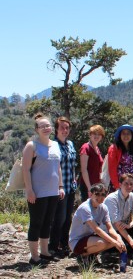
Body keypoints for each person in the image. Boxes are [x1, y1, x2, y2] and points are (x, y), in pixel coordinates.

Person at [22, 114, 63, 266]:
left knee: (48, 222)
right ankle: (34, 256)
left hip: (53, 192)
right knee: (36, 223)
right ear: (36, 129)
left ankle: (44, 252)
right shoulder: (32, 146)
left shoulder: (55, 145)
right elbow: (25, 170)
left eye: (48, 125)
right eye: (42, 126)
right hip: (37, 192)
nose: (46, 128)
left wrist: (60, 186)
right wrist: (29, 190)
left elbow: (57, 167)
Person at [68, 183, 126, 268]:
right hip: (76, 241)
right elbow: (96, 229)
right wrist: (114, 242)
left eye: (103, 194)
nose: (100, 197)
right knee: (103, 243)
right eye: (97, 194)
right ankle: (82, 256)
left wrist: (118, 239)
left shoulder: (103, 208)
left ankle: (91, 256)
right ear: (91, 194)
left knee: (115, 239)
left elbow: (110, 228)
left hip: (90, 238)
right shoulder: (85, 208)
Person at [103, 174, 133, 265]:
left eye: (131, 184)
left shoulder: (131, 196)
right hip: (111, 232)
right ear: (120, 184)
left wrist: (130, 225)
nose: (129, 186)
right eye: (126, 184)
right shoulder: (112, 199)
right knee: (125, 244)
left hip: (124, 228)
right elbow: (117, 225)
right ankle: (124, 251)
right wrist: (130, 240)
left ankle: (131, 252)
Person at [49, 117, 77, 256]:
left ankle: (64, 244)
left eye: (67, 128)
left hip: (70, 186)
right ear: (56, 129)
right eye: (62, 128)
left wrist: (74, 181)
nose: (65, 130)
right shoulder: (53, 145)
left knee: (68, 217)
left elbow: (72, 165)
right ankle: (52, 246)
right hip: (58, 187)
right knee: (59, 218)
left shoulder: (70, 144)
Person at [107, 124, 133, 197]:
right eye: (123, 133)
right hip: (118, 185)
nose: (126, 136)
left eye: (128, 133)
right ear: (120, 135)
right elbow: (112, 168)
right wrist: (117, 186)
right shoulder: (114, 148)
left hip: (131, 185)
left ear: (132, 135)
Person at [79, 125, 105, 201]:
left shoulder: (97, 149)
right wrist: (89, 188)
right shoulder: (85, 147)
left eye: (99, 134)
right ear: (90, 135)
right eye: (94, 133)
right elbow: (84, 170)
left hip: (97, 185)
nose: (97, 136)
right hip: (88, 186)